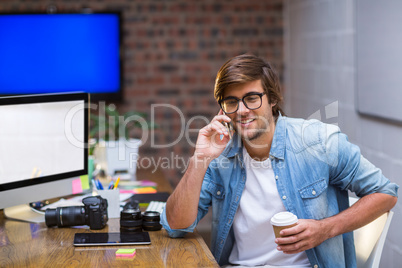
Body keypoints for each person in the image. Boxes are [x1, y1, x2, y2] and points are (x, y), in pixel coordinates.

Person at [160, 54, 399, 267]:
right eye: (231, 102)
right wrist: (199, 158)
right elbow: (175, 228)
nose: (241, 110)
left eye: (252, 98)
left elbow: (386, 194)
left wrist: (325, 229)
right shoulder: (220, 155)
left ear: (272, 99)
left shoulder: (319, 142)